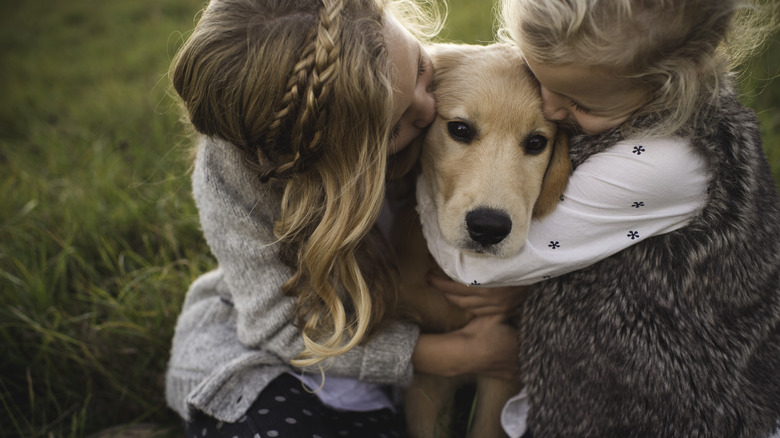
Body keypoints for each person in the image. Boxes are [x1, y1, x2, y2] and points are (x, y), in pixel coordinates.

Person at [416, 0, 780, 436]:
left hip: (670, 406)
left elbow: (479, 269)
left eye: (576, 102)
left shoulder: (668, 163)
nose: (549, 108)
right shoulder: (612, 92)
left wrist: (423, 170)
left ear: (668, 85)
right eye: (536, 73)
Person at [164, 0, 522, 437]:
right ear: (319, 158)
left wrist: (519, 290)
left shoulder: (439, 90)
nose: (428, 111)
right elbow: (276, 327)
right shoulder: (235, 176)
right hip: (288, 360)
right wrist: (455, 355)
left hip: (418, 343)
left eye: (421, 65)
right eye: (394, 129)